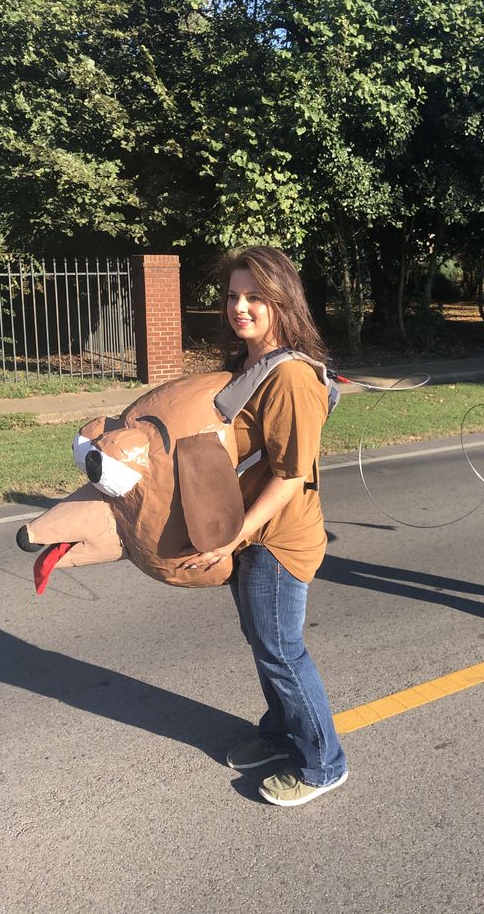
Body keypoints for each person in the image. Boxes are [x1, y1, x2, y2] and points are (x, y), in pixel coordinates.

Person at [182, 245, 348, 806]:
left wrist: (233, 533)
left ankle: (324, 763)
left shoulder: (292, 377)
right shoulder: (250, 364)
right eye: (233, 296)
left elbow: (291, 476)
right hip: (250, 531)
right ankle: (279, 734)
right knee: (263, 642)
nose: (241, 307)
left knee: (281, 650)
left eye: (256, 296)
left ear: (283, 301)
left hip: (276, 538)